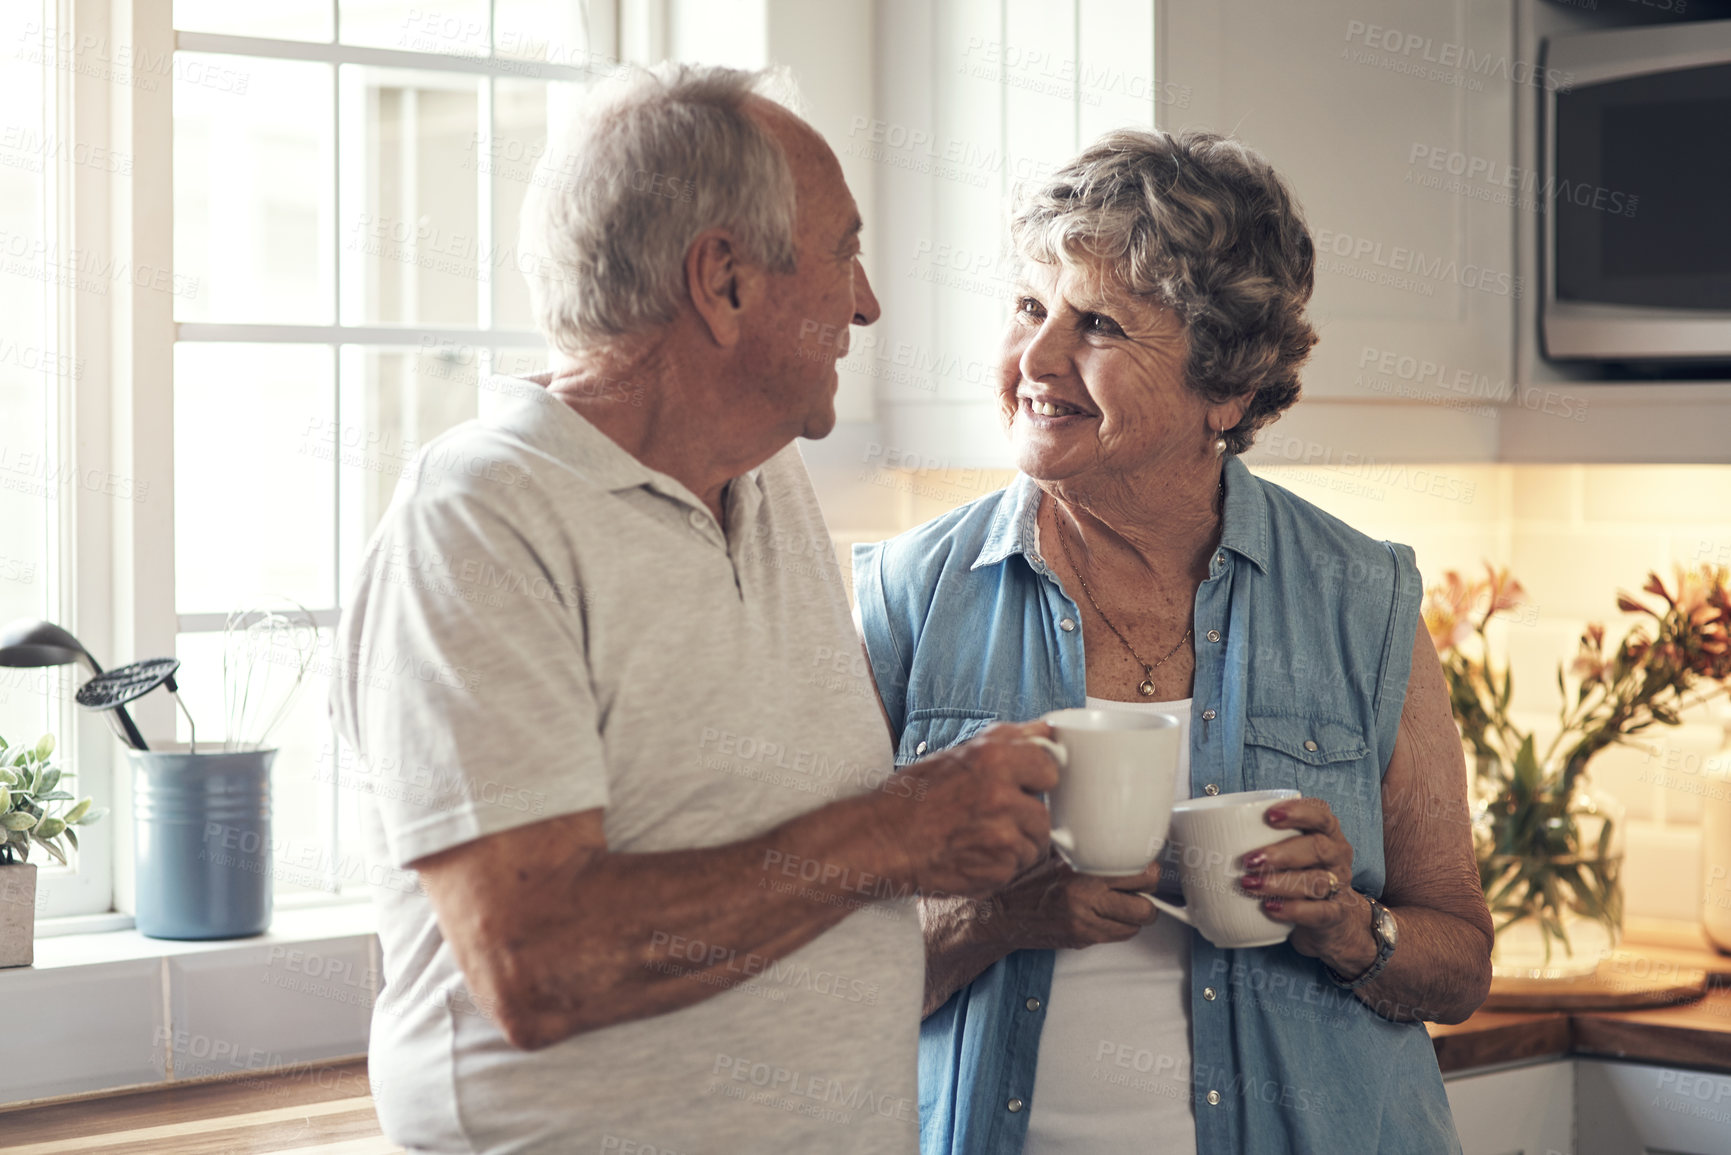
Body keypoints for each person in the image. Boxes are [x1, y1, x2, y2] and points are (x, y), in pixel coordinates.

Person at [329, 64, 1060, 1155]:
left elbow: (790, 853)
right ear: (723, 281)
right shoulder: (483, 517)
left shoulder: (763, 482)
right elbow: (538, 962)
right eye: (845, 252)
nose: (866, 302)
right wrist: (898, 828)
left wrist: (978, 875)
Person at [853, 129, 1494, 1155]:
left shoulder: (1361, 600)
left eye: (1098, 323)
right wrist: (993, 919)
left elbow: (1458, 967)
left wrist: (1344, 926)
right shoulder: (906, 598)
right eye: (1029, 308)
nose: (1038, 361)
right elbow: (806, 984)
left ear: (1228, 389)